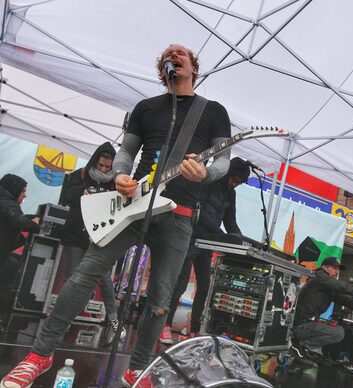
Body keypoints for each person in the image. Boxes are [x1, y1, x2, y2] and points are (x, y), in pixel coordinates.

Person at [0, 44, 232, 388]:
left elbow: (224, 163)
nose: (174, 55)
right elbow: (126, 151)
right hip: (133, 205)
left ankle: (136, 368)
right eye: (168, 52)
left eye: (181, 52)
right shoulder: (147, 107)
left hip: (180, 213)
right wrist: (120, 175)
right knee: (84, 275)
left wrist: (205, 174)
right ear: (163, 66)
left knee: (159, 299)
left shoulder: (213, 111)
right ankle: (40, 354)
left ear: (193, 66)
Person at [159, 157, 250, 344]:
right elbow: (198, 210)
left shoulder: (231, 194)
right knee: (180, 284)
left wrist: (239, 239)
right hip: (190, 238)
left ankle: (193, 330)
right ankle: (164, 326)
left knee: (204, 287)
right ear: (228, 173)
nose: (235, 184)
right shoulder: (209, 181)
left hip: (207, 243)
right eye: (234, 180)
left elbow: (230, 220)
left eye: (239, 183)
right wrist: (220, 233)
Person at [59, 142, 126, 343]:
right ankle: (63, 321)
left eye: (108, 167)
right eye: (101, 166)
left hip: (99, 238)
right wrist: (82, 194)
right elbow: (66, 198)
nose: (104, 170)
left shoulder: (116, 182)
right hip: (76, 235)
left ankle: (115, 322)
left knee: (104, 280)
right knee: (72, 278)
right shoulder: (78, 175)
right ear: (94, 162)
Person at [291, 257, 353, 359]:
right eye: (334, 268)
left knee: (339, 332)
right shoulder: (320, 278)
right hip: (298, 325)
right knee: (337, 332)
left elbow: (349, 301)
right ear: (324, 267)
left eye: (338, 269)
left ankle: (300, 346)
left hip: (306, 325)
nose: (337, 272)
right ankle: (298, 345)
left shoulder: (328, 288)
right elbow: (346, 288)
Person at [0, 174, 40, 324]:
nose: (25, 195)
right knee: (5, 283)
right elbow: (18, 220)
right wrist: (35, 224)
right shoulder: (8, 203)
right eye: (23, 191)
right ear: (14, 190)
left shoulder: (5, 201)